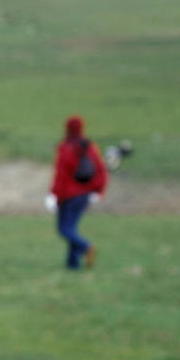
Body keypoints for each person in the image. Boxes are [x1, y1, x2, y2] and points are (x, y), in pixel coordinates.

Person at [46, 115, 108, 269]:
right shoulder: (90, 147)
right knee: (71, 229)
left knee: (64, 229)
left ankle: (86, 246)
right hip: (85, 195)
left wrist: (54, 194)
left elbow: (61, 175)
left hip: (69, 195)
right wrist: (98, 190)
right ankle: (73, 264)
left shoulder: (66, 148)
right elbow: (101, 170)